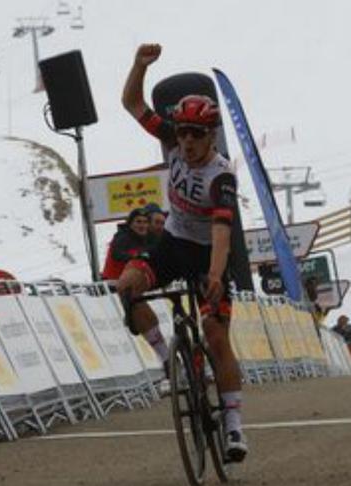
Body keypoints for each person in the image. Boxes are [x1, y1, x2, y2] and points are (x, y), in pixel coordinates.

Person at [119, 43, 247, 462]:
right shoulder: (172, 137)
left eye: (197, 135)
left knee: (215, 336)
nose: (187, 142)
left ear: (212, 135)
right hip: (172, 243)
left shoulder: (220, 175)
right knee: (127, 286)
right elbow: (132, 103)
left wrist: (214, 275)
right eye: (183, 133)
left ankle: (233, 427)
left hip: (209, 252)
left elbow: (223, 230)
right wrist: (139, 66)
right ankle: (166, 361)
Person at [101, 208, 171, 368]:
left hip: (135, 282)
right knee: (133, 297)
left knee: (146, 313)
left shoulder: (149, 238)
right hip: (114, 282)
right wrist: (134, 256)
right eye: (138, 222)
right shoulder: (122, 236)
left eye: (146, 222)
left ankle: (167, 357)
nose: (142, 225)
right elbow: (117, 254)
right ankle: (130, 314)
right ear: (130, 224)